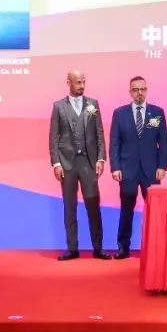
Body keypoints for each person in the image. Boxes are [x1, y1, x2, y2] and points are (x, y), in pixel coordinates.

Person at [48, 70, 107, 261]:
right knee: (69, 206)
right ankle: (72, 249)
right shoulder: (58, 106)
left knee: (93, 206)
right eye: (78, 82)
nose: (82, 86)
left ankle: (98, 248)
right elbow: (53, 137)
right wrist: (56, 163)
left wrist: (101, 159)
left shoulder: (93, 104)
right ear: (69, 83)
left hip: (88, 163)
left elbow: (99, 133)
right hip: (67, 164)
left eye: (83, 82)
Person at [109, 76, 167, 259]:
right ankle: (123, 248)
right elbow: (114, 143)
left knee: (155, 212)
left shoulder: (157, 112)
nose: (139, 93)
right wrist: (115, 167)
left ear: (146, 90)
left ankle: (155, 248)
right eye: (135, 90)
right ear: (130, 92)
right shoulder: (120, 113)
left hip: (151, 170)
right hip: (127, 169)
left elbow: (163, 142)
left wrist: (162, 166)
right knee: (126, 210)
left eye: (142, 89)